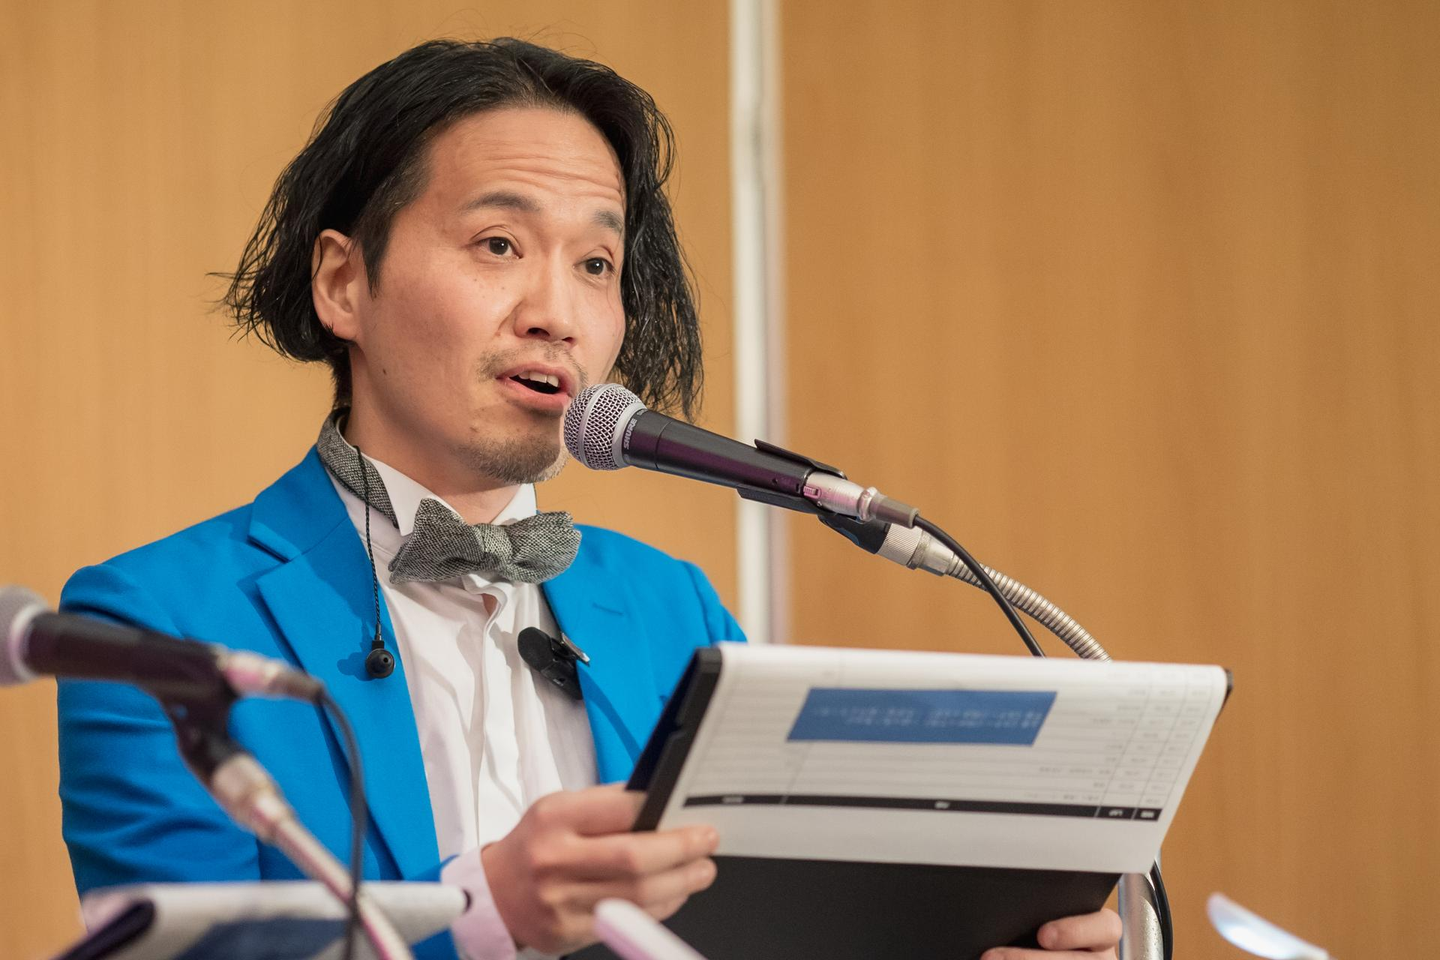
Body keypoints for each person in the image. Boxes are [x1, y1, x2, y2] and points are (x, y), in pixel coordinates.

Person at [56, 39, 1122, 960]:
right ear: (343, 282)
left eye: (598, 264)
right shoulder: (152, 625)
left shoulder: (676, 610)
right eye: (500, 245)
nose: (556, 313)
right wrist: (488, 916)